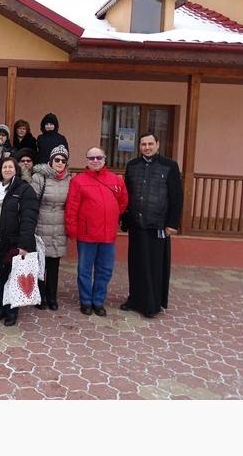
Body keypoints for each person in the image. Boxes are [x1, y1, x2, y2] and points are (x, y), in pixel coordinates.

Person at [122, 134, 183, 319]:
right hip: (136, 224)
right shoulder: (132, 165)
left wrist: (172, 223)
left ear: (157, 144)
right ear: (139, 146)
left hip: (158, 225)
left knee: (155, 266)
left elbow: (176, 197)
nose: (147, 147)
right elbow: (127, 194)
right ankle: (134, 299)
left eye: (150, 144)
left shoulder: (169, 166)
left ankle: (152, 304)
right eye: (143, 144)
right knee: (136, 264)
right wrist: (125, 219)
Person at [64, 147, 127, 316]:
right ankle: (86, 301)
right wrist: (72, 229)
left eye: (99, 157)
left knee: (105, 270)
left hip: (108, 235)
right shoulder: (78, 181)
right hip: (87, 234)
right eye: (91, 158)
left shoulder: (116, 180)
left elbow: (122, 202)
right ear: (87, 160)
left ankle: (98, 301)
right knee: (84, 270)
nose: (95, 160)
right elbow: (72, 207)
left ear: (104, 159)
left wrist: (110, 215)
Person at [0, 156, 40, 327]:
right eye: (4, 167)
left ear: (16, 170)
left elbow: (29, 219)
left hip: (14, 242)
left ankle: (11, 312)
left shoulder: (24, 189)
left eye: (11, 167)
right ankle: (1, 308)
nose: (7, 170)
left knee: (12, 277)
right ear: (0, 170)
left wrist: (24, 244)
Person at [29, 144, 72, 311]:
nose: (60, 163)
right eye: (57, 159)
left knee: (54, 263)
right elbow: (32, 202)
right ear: (51, 160)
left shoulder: (69, 179)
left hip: (59, 225)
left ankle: (52, 297)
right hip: (42, 222)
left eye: (63, 160)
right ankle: (39, 296)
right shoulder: (40, 177)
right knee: (41, 262)